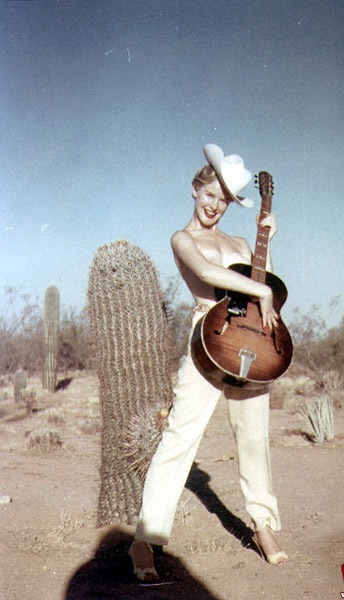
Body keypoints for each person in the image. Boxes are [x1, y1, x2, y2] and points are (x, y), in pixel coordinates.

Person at [129, 143, 289, 582]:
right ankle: (146, 537)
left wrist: (267, 243)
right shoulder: (183, 239)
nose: (214, 206)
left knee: (254, 437)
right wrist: (259, 290)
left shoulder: (239, 242)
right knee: (180, 437)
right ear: (195, 190)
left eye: (224, 200)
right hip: (208, 338)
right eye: (209, 195)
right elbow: (207, 274)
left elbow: (267, 287)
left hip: (249, 341)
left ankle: (263, 526)